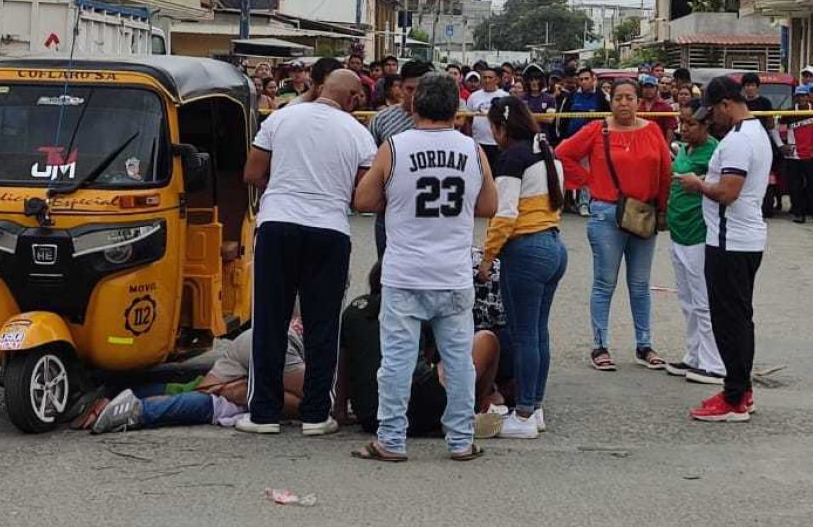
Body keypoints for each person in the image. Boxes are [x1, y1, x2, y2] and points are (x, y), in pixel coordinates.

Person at [352, 73, 498, 463]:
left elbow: (363, 201)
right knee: (459, 361)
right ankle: (461, 440)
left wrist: (396, 200)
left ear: (414, 106)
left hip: (405, 272)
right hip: (452, 272)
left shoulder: (394, 147)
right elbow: (488, 206)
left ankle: (391, 440)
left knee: (396, 362)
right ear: (456, 108)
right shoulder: (472, 150)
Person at [238, 70, 376, 437]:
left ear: (320, 89)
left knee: (270, 320)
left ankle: (263, 413)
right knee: (323, 324)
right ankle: (316, 414)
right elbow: (361, 196)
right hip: (330, 229)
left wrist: (284, 185)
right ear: (351, 99)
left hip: (278, 222)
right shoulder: (359, 134)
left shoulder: (281, 118)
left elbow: (252, 172)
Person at [556, 79, 672, 372]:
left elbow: (665, 171)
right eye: (618, 97)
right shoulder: (598, 130)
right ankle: (600, 345)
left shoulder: (653, 130)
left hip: (643, 214)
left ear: (637, 101)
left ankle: (644, 344)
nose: (623, 103)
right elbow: (563, 153)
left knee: (640, 284)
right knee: (605, 283)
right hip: (607, 213)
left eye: (629, 97)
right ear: (611, 101)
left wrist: (662, 208)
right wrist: (588, 182)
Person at [676, 77, 772, 422]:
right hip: (742, 239)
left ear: (726, 105)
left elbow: (728, 192)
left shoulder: (737, 142)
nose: (710, 120)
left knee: (729, 320)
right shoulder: (756, 134)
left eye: (713, 111)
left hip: (730, 242)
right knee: (739, 318)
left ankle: (733, 397)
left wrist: (697, 183)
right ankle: (741, 389)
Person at [336, 263, 505, 444]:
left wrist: (340, 411)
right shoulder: (416, 308)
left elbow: (343, 366)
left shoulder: (352, 312)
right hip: (419, 404)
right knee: (486, 340)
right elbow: (435, 359)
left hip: (369, 417)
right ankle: (470, 412)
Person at [478, 97, 567, 438]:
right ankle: (535, 406)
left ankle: (525, 414)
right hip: (554, 245)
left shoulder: (512, 157)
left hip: (527, 249)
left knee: (524, 335)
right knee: (538, 333)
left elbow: (505, 213)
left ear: (501, 127)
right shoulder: (546, 151)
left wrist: (487, 257)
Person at [89, 327, 305, 434]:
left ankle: (113, 394)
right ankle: (136, 411)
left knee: (205, 389)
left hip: (262, 334)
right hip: (280, 347)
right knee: (215, 402)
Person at [665, 100, 724, 385]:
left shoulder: (714, 152)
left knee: (703, 301)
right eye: (681, 122)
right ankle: (694, 354)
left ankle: (714, 362)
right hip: (679, 231)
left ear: (705, 124)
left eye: (690, 124)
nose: (684, 129)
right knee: (687, 300)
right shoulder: (684, 149)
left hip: (699, 234)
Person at [368, 60, 425, 258]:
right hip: (389, 208)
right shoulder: (382, 119)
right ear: (400, 87)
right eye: (410, 89)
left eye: (422, 89)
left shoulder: (439, 121)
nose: (416, 95)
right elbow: (369, 162)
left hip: (425, 209)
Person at [771, 85, 813, 224]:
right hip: (794, 155)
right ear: (795, 98)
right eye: (799, 96)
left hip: (811, 154)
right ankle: (798, 213)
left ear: (808, 97)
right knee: (794, 186)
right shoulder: (789, 112)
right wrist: (781, 145)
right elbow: (774, 129)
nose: (802, 98)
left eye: (804, 95)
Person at [555, 67, 610, 216]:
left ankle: (584, 203)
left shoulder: (601, 97)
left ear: (593, 79)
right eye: (581, 79)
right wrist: (561, 137)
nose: (584, 82)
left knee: (586, 172)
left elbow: (608, 118)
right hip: (571, 140)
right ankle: (561, 203)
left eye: (587, 79)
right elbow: (562, 118)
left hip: (591, 142)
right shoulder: (572, 97)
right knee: (563, 170)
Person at [466, 66, 508, 170]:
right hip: (479, 142)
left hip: (498, 144)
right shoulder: (473, 96)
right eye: (484, 77)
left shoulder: (505, 96)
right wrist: (470, 139)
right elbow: (468, 120)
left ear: (497, 80)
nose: (487, 80)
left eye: (490, 77)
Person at [520, 67, 557, 139]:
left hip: (543, 136)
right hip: (525, 136)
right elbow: (519, 118)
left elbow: (550, 119)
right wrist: (540, 117)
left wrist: (528, 116)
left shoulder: (550, 98)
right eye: (531, 80)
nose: (534, 83)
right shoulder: (521, 99)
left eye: (537, 79)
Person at [638, 75, 676, 139]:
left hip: (658, 143)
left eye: (651, 87)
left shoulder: (665, 106)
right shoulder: (637, 105)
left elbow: (670, 129)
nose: (648, 90)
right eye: (646, 87)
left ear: (657, 89)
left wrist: (666, 147)